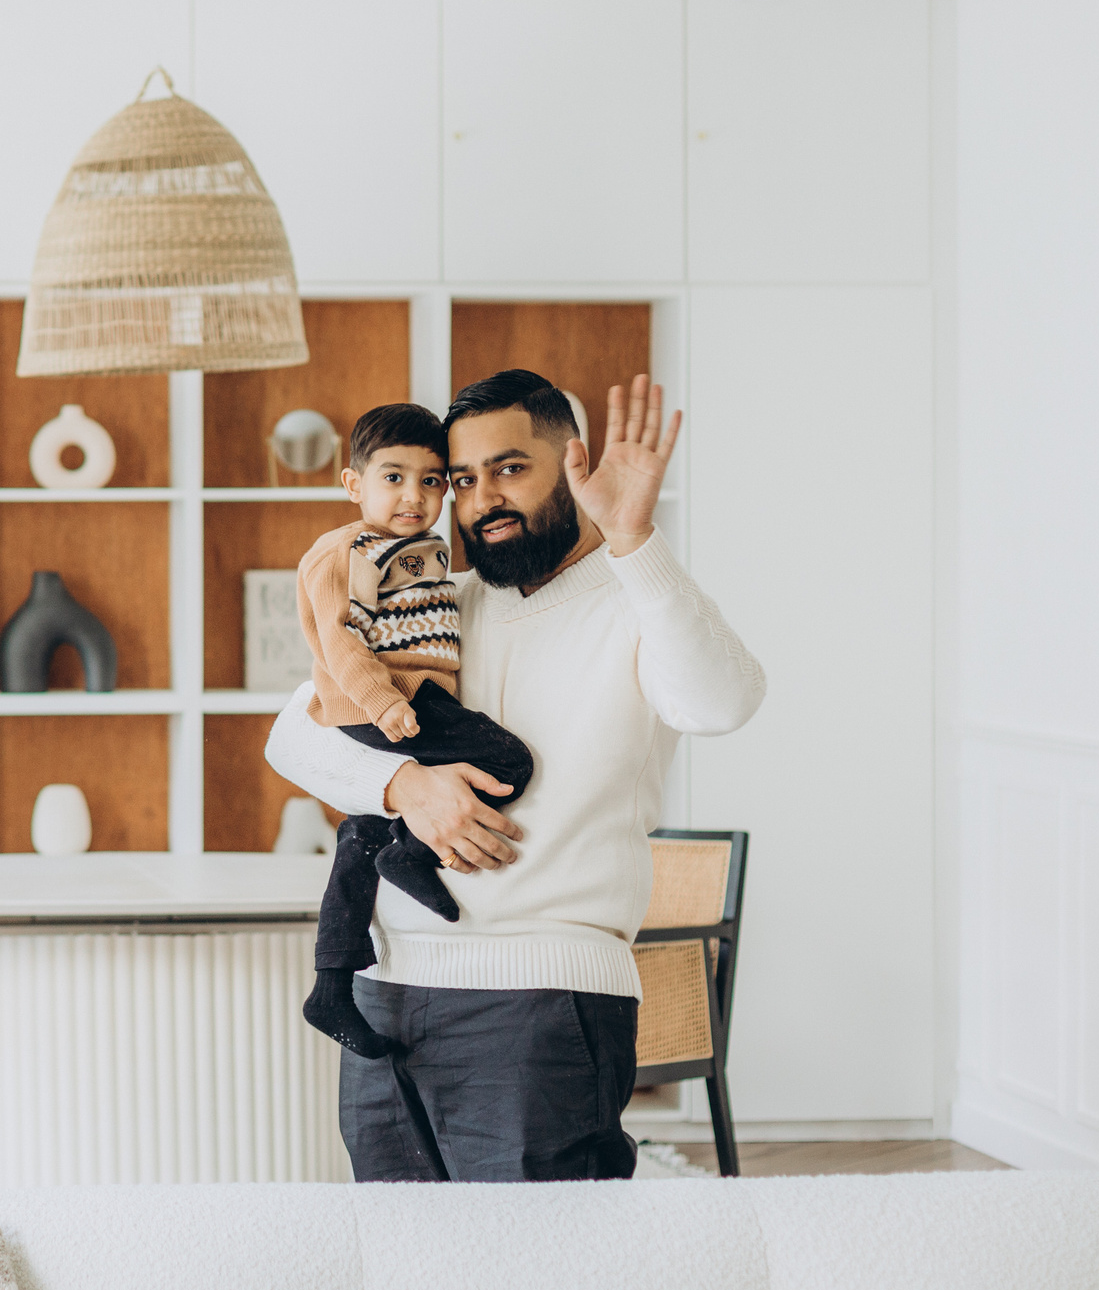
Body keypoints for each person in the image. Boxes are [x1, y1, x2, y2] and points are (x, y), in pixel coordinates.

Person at [265, 369, 765, 1184]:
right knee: (405, 1283)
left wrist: (636, 539)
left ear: (573, 462)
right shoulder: (434, 598)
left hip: (545, 1005)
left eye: (510, 469)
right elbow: (294, 731)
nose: (481, 499)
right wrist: (404, 788)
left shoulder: (635, 601)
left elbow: (724, 701)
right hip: (386, 994)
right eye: (460, 479)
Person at [292, 402, 535, 1061]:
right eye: (394, 477)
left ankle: (332, 980)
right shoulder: (345, 550)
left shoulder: (423, 551)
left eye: (432, 481)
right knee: (507, 761)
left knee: (359, 829)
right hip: (393, 704)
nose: (414, 495)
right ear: (353, 485)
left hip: (414, 699)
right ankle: (412, 850)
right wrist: (383, 705)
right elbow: (340, 641)